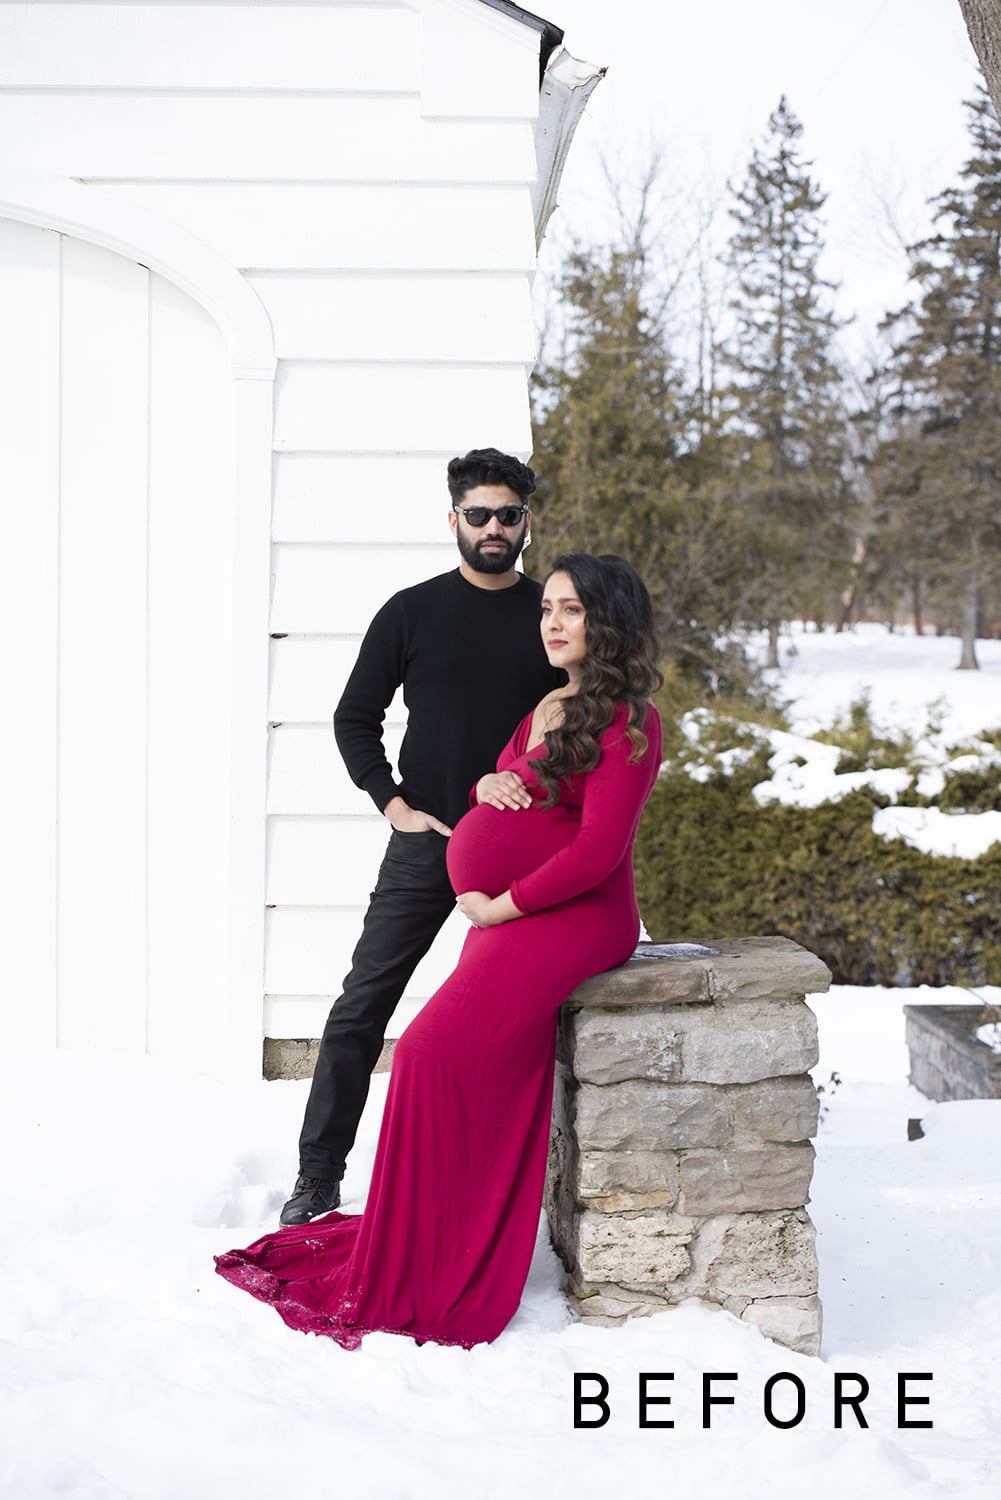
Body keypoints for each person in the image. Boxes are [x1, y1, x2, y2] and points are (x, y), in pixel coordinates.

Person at [215, 553, 664, 1350]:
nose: (552, 623)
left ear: (609, 621)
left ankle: (446, 1250)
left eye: (570, 610)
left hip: (574, 916)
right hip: (517, 913)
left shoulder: (629, 722)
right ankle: (420, 1227)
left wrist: (499, 903)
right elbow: (504, 782)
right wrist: (486, 789)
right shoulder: (547, 705)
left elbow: (598, 851)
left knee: (427, 1052)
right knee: (432, 1053)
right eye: (548, 609)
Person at [279, 448, 563, 1227]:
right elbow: (354, 717)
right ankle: (316, 1175)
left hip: (518, 850)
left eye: (508, 514)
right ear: (453, 520)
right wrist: (391, 802)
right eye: (479, 514)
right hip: (427, 842)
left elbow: (581, 721)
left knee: (516, 1020)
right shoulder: (411, 611)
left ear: (526, 522)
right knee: (361, 1006)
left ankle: (505, 1186)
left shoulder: (550, 616)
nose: (493, 527)